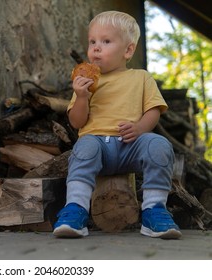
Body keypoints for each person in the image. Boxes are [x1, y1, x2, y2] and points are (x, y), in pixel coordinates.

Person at [53, 11, 182, 239]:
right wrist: (81, 97)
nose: (96, 48)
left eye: (106, 41)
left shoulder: (141, 78)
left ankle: (154, 210)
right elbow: (76, 122)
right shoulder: (87, 83)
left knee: (159, 145)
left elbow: (153, 110)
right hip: (97, 148)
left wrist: (140, 128)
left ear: (128, 50)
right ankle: (76, 209)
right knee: (84, 146)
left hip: (131, 145)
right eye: (92, 42)